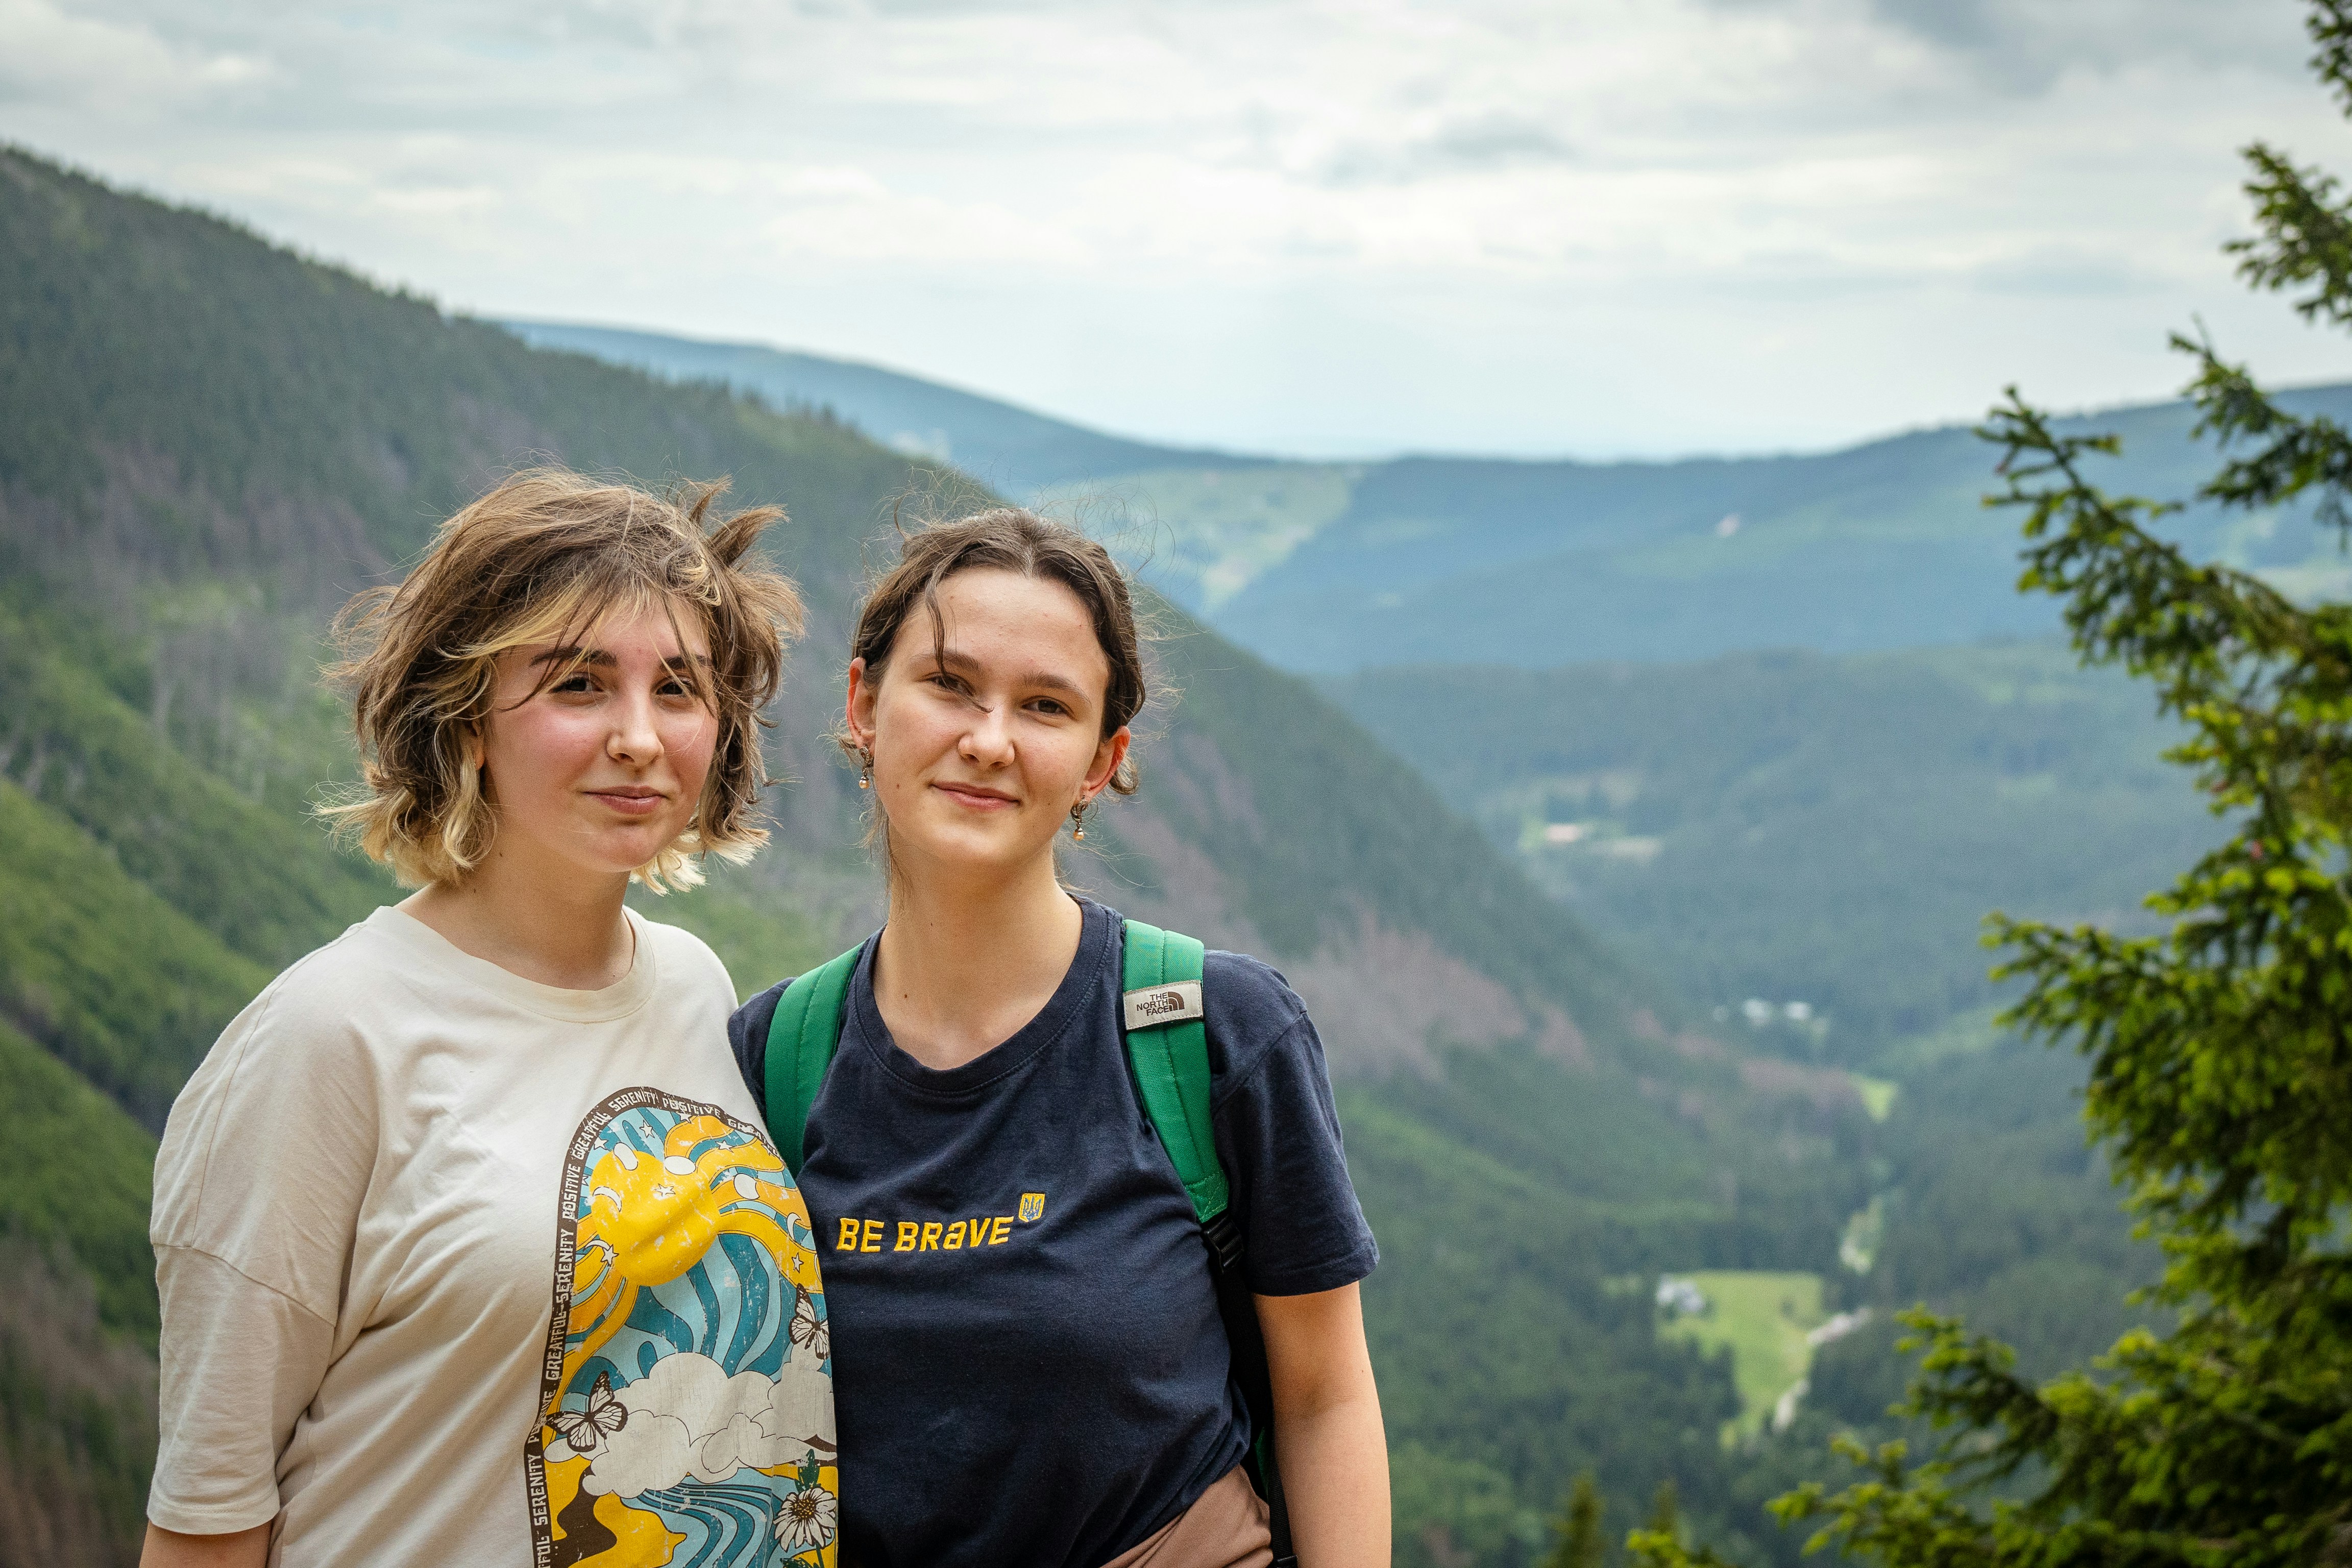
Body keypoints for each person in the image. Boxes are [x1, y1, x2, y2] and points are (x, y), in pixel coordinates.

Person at [141, 471, 840, 1568]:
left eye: (679, 688)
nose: (639, 737)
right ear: (464, 721)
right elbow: (205, 1523)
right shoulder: (328, 1039)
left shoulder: (695, 988)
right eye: (578, 685)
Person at [728, 508, 1390, 1568]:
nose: (989, 739)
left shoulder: (1213, 1037)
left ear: (1100, 759)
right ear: (862, 704)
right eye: (949, 684)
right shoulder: (775, 1059)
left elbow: (1325, 1397)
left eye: (1045, 706)